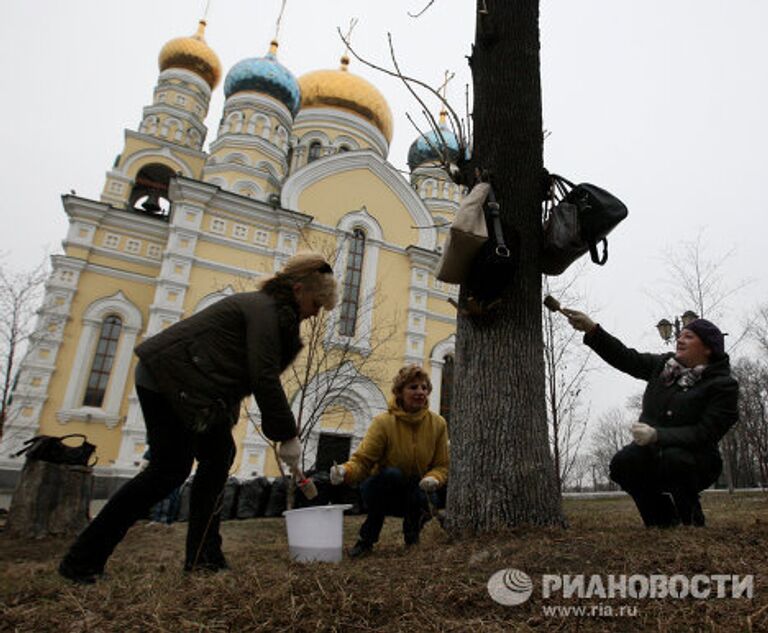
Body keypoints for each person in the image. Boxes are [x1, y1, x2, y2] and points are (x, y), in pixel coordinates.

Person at [58, 252, 338, 582]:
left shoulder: (267, 310)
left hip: (192, 386)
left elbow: (231, 373)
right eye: (316, 303)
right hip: (168, 379)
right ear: (298, 290)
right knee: (168, 470)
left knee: (219, 457)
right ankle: (82, 561)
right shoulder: (265, 311)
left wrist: (231, 418)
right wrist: (287, 435)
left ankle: (204, 557)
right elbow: (262, 375)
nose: (315, 313)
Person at [563, 308, 738, 527]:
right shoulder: (663, 367)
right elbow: (627, 358)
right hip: (652, 452)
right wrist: (592, 329)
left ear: (708, 349)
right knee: (622, 463)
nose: (679, 339)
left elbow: (705, 432)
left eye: (689, 336)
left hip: (696, 460)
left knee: (675, 459)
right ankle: (662, 520)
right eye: (680, 335)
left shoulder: (723, 386)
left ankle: (692, 520)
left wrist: (657, 435)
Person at [330, 365, 449, 556]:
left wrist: (434, 478)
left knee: (423, 493)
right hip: (383, 489)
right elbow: (363, 461)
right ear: (399, 392)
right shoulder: (383, 422)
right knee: (392, 474)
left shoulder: (438, 424)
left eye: (424, 387)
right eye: (413, 387)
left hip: (415, 491)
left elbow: (442, 465)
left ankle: (412, 538)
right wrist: (345, 471)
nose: (420, 392)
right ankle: (366, 541)